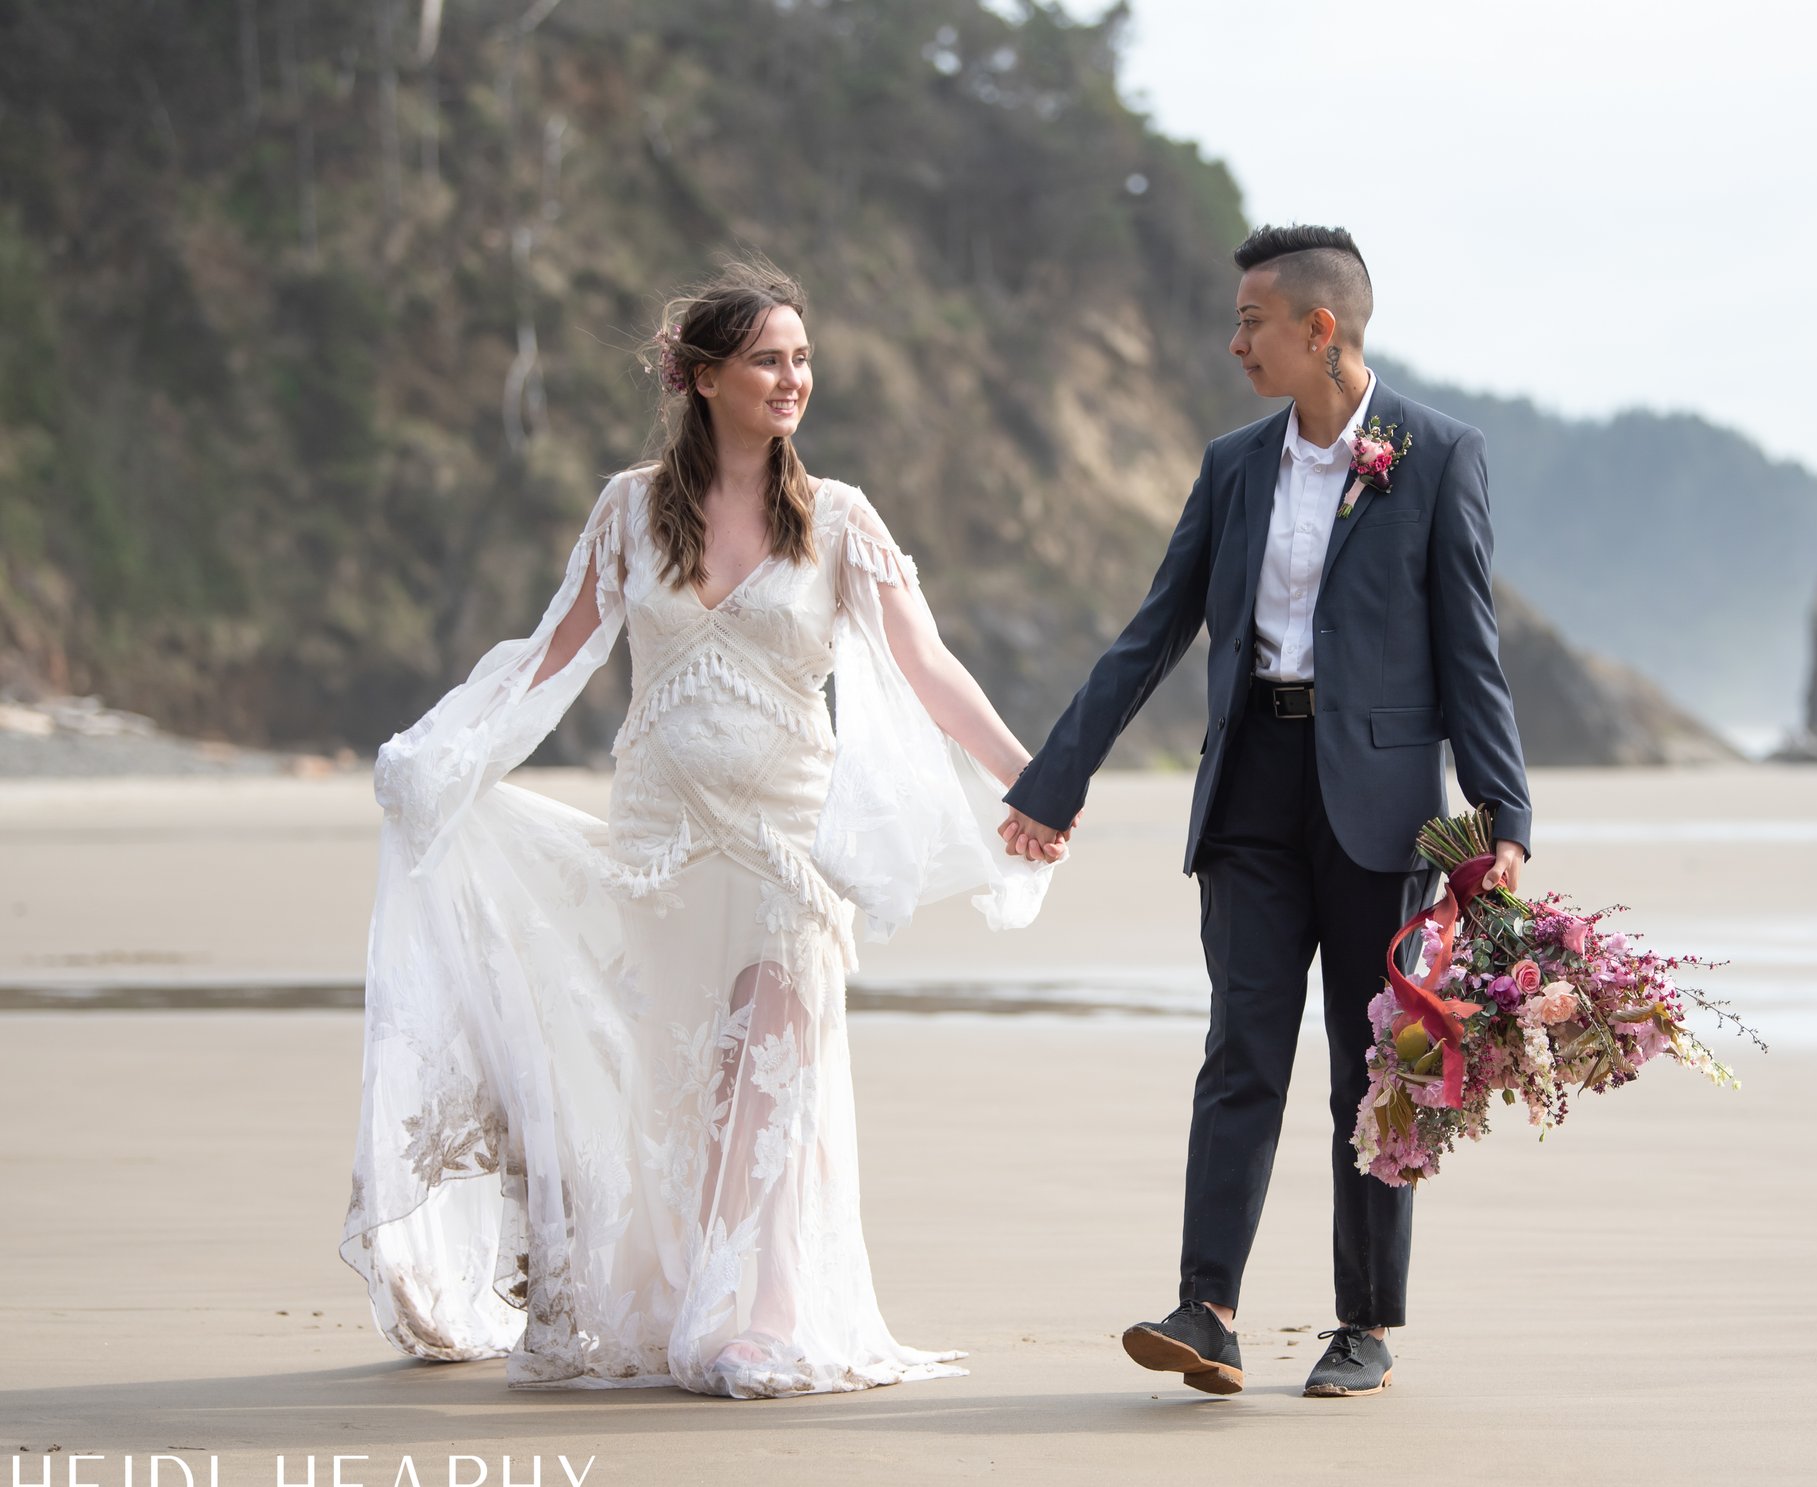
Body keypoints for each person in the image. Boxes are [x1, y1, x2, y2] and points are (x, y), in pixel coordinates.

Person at [340, 257, 1057, 1399]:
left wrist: (1034, 778)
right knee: (670, 1081)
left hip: (786, 845)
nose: (793, 379)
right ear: (703, 376)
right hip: (658, 843)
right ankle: (672, 1300)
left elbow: (927, 667)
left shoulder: (840, 522)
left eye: (803, 358)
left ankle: (757, 1320)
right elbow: (556, 651)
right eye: (770, 358)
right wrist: (451, 752)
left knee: (767, 1077)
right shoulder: (630, 508)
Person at [1001, 225, 1533, 1398]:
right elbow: (1154, 632)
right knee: (1240, 1049)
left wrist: (1501, 820)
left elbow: (1469, 653)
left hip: (1383, 806)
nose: (1234, 340)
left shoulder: (1437, 455)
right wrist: (1054, 780)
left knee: (1370, 1068)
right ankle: (1209, 1308)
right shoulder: (1233, 464)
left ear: (1318, 329)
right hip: (1248, 789)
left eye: (1252, 320)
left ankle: (1367, 1323)